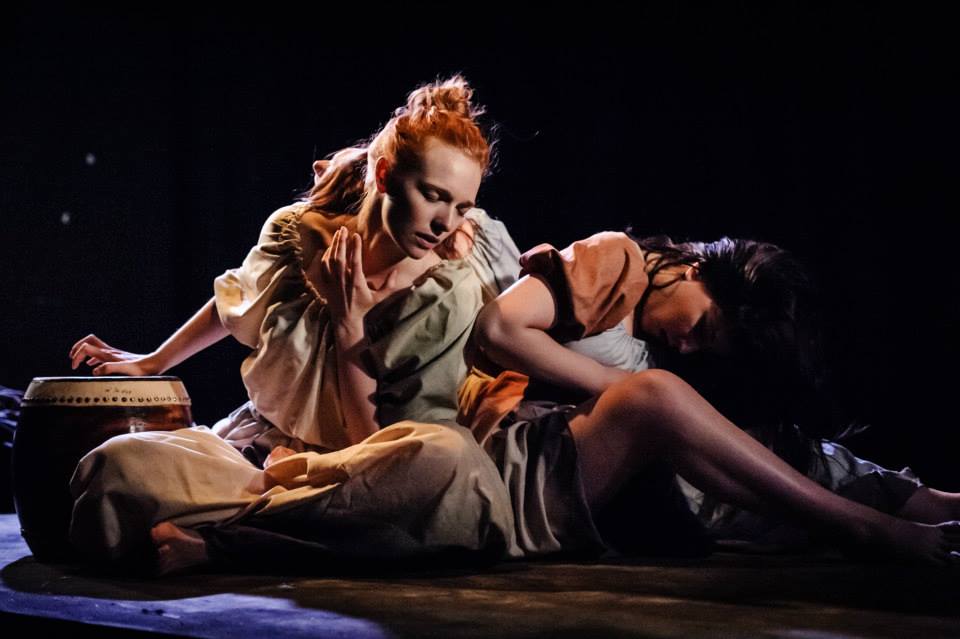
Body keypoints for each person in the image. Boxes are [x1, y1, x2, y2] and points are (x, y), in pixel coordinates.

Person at [65, 76, 525, 575]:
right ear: (384, 174)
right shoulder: (295, 232)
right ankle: (289, 527)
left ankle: (229, 544)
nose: (445, 223)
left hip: (360, 478)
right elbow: (237, 300)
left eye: (461, 207)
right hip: (261, 463)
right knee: (113, 468)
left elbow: (375, 449)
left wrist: (350, 326)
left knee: (451, 465)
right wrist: (155, 361)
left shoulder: (447, 292)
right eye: (433, 195)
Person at [465, 231, 960, 566]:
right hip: (534, 458)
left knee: (783, 450)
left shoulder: (666, 352)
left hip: (621, 492)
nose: (687, 345)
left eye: (704, 345)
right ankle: (864, 527)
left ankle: (926, 503)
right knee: (657, 394)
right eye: (701, 326)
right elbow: (499, 326)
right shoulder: (617, 259)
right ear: (695, 270)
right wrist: (612, 383)